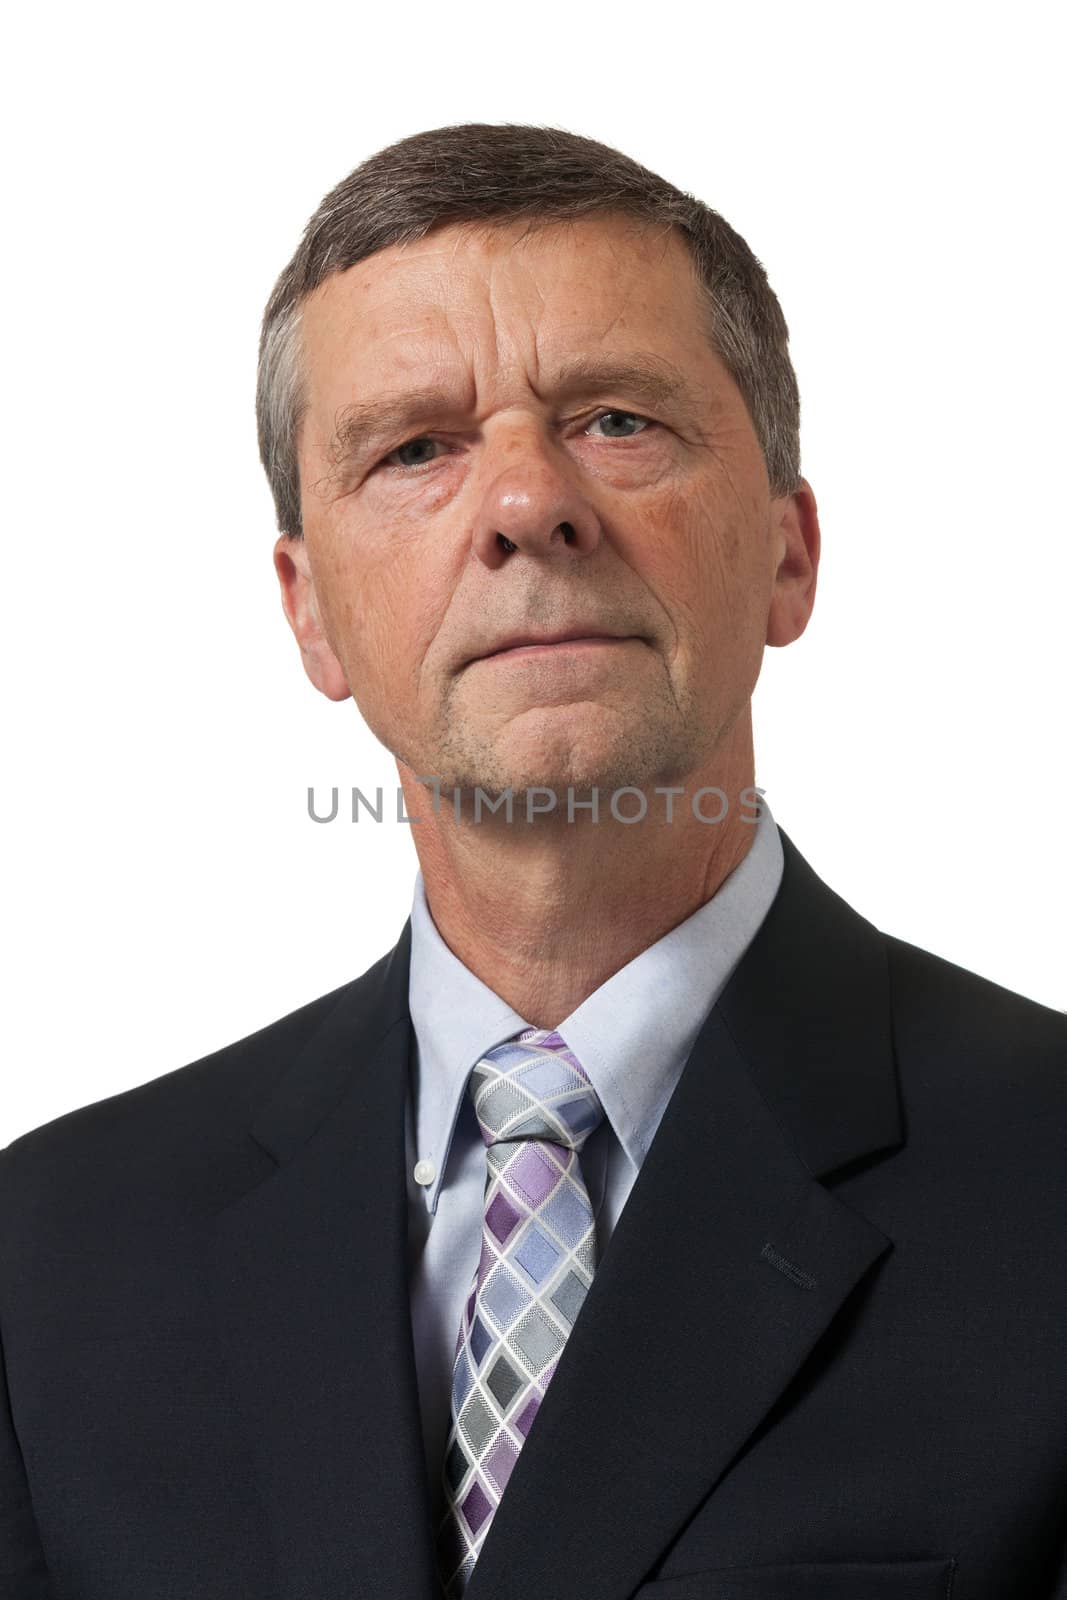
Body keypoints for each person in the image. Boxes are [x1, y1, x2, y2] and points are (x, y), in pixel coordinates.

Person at [1, 121, 1065, 1600]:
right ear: (310, 614)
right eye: (418, 448)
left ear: (788, 551)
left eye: (619, 419)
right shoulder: (48, 1260)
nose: (526, 503)